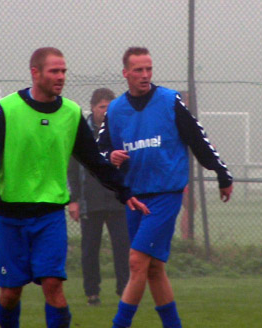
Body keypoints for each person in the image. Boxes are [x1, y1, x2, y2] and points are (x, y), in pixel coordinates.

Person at [0, 47, 149, 328]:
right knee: (10, 293)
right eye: (54, 71)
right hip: (11, 217)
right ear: (35, 73)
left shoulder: (70, 113)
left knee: (53, 285)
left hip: (50, 216)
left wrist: (125, 192)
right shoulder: (7, 109)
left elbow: (95, 160)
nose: (61, 77)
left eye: (64, 71)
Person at [99, 47, 234, 328]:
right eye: (138, 70)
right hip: (134, 197)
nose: (145, 75)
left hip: (165, 194)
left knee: (136, 262)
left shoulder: (169, 101)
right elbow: (99, 151)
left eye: (149, 69)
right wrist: (110, 156)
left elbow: (198, 139)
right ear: (126, 74)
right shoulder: (115, 109)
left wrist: (221, 172)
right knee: (154, 269)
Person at [67, 88, 130, 306]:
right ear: (93, 107)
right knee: (89, 250)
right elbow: (72, 168)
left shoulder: (120, 130)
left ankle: (125, 291)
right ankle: (92, 293)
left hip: (117, 200)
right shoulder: (81, 132)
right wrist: (73, 200)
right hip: (89, 200)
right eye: (102, 106)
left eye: (109, 107)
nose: (105, 111)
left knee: (123, 248)